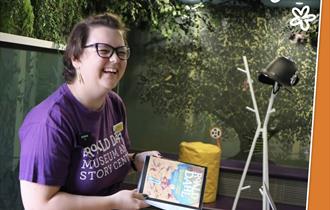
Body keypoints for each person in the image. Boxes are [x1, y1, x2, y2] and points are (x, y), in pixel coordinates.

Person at [19, 13, 161, 210]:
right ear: (75, 57)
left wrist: (135, 161)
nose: (115, 59)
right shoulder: (49, 123)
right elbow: (39, 205)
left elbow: (99, 166)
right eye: (104, 50)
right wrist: (113, 203)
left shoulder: (114, 104)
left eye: (121, 51)